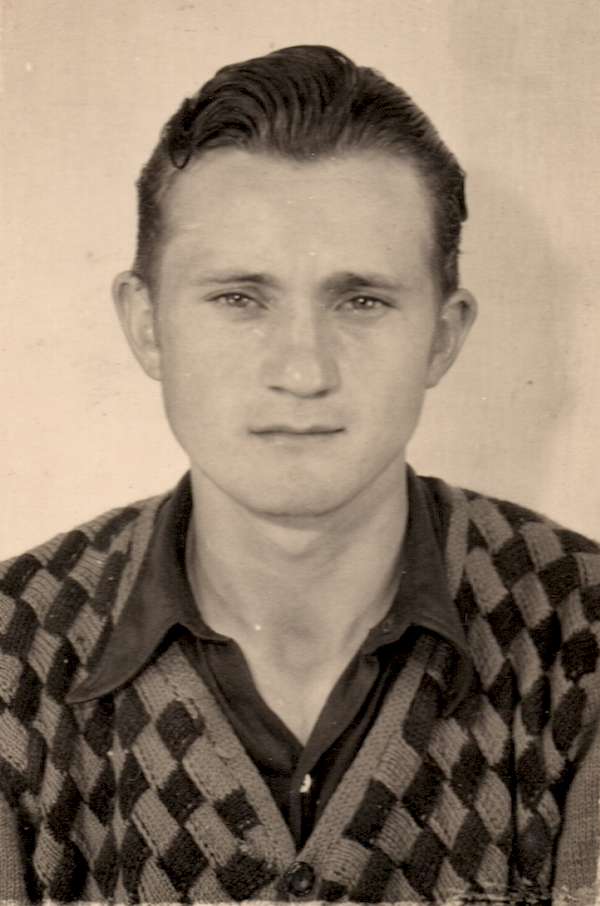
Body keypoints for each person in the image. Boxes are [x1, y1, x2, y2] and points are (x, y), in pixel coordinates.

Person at [0, 44, 598, 905]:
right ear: (147, 325)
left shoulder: (581, 637)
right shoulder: (13, 650)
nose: (303, 370)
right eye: (239, 299)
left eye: (362, 301)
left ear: (442, 336)